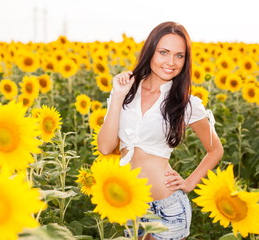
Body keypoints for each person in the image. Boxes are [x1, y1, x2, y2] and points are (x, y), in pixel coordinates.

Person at [97, 21, 224, 240]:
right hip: (130, 205)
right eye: (163, 52)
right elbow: (106, 147)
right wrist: (117, 96)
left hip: (169, 209)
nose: (171, 62)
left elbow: (216, 150)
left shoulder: (187, 103)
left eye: (179, 55)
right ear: (150, 52)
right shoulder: (126, 91)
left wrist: (189, 183)